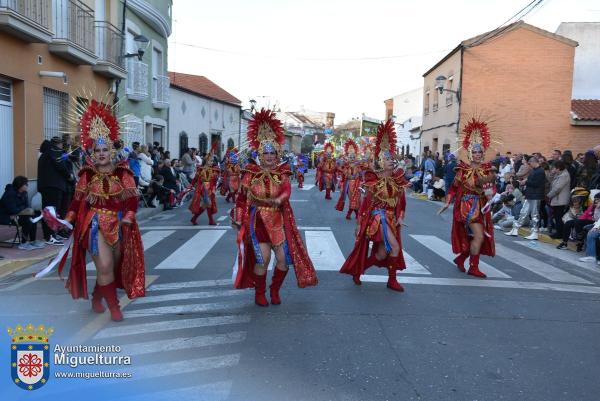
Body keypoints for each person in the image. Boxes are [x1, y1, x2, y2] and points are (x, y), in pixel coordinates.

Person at [47, 99, 145, 322]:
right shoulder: (86, 174)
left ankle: (96, 297)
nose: (101, 153)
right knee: (104, 265)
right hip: (94, 225)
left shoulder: (123, 173)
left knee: (114, 266)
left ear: (111, 151)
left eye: (105, 149)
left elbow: (132, 201)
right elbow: (76, 201)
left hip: (120, 224)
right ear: (92, 152)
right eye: (97, 150)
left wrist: (129, 217)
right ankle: (115, 307)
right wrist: (66, 220)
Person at [231, 109, 318, 306]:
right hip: (258, 221)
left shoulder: (282, 173)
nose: (270, 156)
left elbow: (287, 190)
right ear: (260, 154)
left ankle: (275, 289)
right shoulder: (250, 173)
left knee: (283, 260)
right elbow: (240, 197)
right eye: (266, 153)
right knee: (263, 258)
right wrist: (237, 216)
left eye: (272, 152)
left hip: (279, 220)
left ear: (277, 153)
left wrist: (279, 200)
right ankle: (260, 292)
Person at [340, 119, 409, 291]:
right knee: (394, 247)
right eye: (387, 159)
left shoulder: (398, 179)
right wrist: (358, 224)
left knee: (381, 253)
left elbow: (401, 201)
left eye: (392, 158)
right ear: (380, 161)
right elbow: (366, 204)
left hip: (392, 219)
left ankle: (359, 270)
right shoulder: (373, 180)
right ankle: (392, 281)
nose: (392, 161)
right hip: (379, 218)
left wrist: (400, 216)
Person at [439, 117, 496, 278]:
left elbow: (491, 189)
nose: (478, 154)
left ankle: (461, 258)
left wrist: (491, 194)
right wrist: (447, 202)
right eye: (475, 151)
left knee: (474, 237)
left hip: (481, 207)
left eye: (480, 152)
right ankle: (473, 267)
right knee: (478, 235)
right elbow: (453, 188)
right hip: (466, 208)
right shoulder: (462, 171)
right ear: (470, 153)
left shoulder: (488, 171)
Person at [37, 136, 71, 246]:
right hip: (53, 186)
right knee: (50, 212)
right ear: (58, 144)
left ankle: (52, 234)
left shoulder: (45, 153)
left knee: (50, 211)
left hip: (47, 186)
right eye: (61, 144)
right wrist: (69, 175)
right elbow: (60, 166)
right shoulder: (54, 151)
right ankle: (50, 236)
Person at [505, 156, 545, 240]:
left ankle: (535, 232)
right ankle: (515, 229)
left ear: (534, 162)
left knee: (534, 214)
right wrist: (525, 182)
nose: (530, 165)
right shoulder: (534, 170)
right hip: (530, 194)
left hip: (536, 195)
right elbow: (531, 181)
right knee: (523, 212)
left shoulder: (540, 171)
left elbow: (537, 184)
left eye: (530, 163)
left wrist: (525, 182)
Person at [0, 176, 44, 250]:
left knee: (33, 217)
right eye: (25, 184)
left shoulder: (24, 193)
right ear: (20, 185)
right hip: (6, 216)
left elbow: (26, 206)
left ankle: (33, 240)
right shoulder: (10, 194)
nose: (27, 185)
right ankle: (23, 243)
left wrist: (33, 211)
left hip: (18, 214)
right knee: (27, 219)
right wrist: (25, 210)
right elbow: (12, 210)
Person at [189, 143, 220, 226]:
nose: (212, 162)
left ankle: (195, 218)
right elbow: (195, 179)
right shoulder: (201, 170)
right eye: (210, 161)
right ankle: (210, 221)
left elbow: (215, 179)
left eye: (212, 161)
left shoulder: (214, 170)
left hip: (210, 188)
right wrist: (191, 185)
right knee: (208, 203)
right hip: (203, 188)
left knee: (206, 205)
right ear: (206, 161)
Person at [335, 139, 362, 220]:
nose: (352, 158)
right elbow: (342, 172)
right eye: (351, 156)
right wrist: (346, 174)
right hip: (349, 184)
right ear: (348, 156)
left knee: (355, 199)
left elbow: (361, 174)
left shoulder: (359, 165)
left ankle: (351, 213)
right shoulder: (346, 165)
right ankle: (354, 213)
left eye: (354, 156)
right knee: (352, 199)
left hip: (357, 184)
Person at [547, 160, 571, 239]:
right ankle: (558, 232)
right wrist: (552, 173)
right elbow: (550, 181)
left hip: (561, 199)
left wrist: (549, 195)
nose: (553, 169)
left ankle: (559, 233)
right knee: (557, 217)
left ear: (559, 168)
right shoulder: (558, 174)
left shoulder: (564, 175)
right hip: (557, 199)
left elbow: (558, 188)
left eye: (554, 168)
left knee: (559, 217)